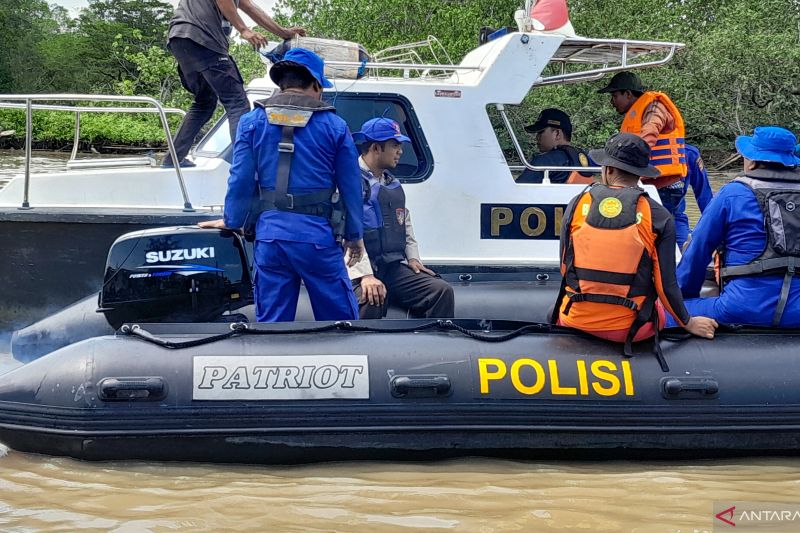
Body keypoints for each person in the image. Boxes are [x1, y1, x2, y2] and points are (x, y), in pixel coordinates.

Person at [199, 48, 365, 322]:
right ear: (315, 84)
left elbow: (239, 178)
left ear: (281, 83)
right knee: (341, 323)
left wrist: (231, 219)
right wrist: (354, 235)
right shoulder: (335, 126)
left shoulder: (251, 122)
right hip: (318, 242)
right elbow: (351, 187)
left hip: (270, 239)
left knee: (273, 326)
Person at [553, 133, 717, 355]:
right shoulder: (658, 215)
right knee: (658, 309)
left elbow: (565, 267)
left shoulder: (576, 204)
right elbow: (666, 285)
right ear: (641, 174)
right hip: (629, 329)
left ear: (608, 170)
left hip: (574, 319)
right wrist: (688, 323)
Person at [674, 126, 800, 328]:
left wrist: (683, 298)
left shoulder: (732, 193)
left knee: (661, 312)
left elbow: (698, 251)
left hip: (741, 307)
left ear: (752, 161)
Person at [163, 0, 305, 168]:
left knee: (204, 102)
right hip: (202, 37)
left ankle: (174, 158)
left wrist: (283, 32)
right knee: (237, 103)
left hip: (180, 39)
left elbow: (250, 7)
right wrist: (244, 29)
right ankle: (244, 167)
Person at [348, 117, 455, 319]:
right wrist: (365, 275)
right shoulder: (349, 181)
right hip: (356, 269)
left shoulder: (390, 182)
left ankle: (434, 346)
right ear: (376, 148)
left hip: (390, 266)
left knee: (441, 291)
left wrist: (413, 258)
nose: (400, 151)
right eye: (395, 145)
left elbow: (403, 221)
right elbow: (344, 233)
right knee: (372, 297)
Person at [598, 71, 688, 190]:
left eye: (615, 96)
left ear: (628, 94)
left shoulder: (654, 108)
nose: (612, 102)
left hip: (664, 187)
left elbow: (649, 134)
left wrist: (627, 163)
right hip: (652, 183)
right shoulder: (639, 111)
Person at [517, 108, 594, 184]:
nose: (537, 137)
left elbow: (517, 190)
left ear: (557, 134)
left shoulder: (545, 160)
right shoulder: (582, 158)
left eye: (540, 132)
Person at [662, 144, 714, 250]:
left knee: (691, 251)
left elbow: (704, 196)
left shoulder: (690, 154)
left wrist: (714, 230)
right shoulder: (636, 151)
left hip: (674, 218)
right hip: (641, 218)